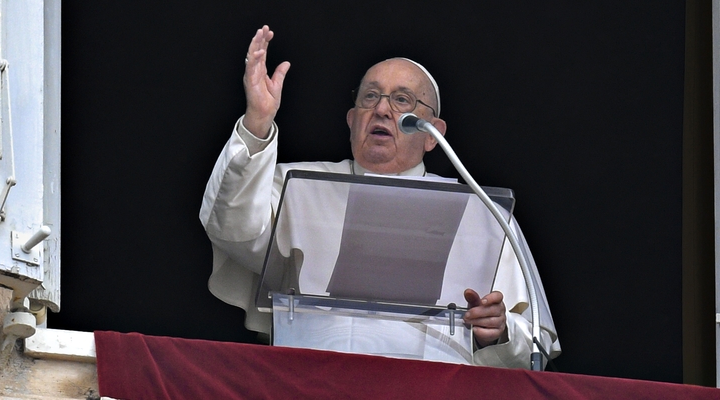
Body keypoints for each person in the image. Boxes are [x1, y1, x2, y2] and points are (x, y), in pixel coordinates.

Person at [200, 25, 560, 368]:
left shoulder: (483, 214)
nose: (383, 109)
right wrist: (257, 123)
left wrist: (498, 332)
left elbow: (535, 346)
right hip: (310, 381)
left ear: (433, 134)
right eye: (370, 96)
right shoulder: (299, 185)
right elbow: (232, 227)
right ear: (352, 119)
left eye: (402, 99)